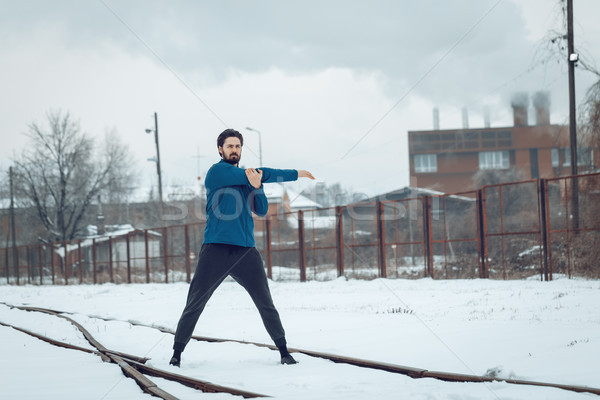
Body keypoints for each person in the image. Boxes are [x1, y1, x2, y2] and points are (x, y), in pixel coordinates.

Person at [169, 128, 315, 367]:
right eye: (230, 146)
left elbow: (262, 210)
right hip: (216, 248)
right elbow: (265, 172)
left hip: (245, 251)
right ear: (220, 149)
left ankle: (284, 351)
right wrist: (296, 173)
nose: (234, 150)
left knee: (265, 302)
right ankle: (176, 354)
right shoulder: (217, 172)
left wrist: (257, 186)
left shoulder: (249, 179)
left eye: (237, 146)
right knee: (196, 301)